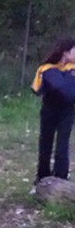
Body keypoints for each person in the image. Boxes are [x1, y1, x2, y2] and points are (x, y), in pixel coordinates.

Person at [31, 38, 75, 186]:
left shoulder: (72, 68)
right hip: (49, 110)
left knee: (62, 146)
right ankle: (42, 178)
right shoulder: (47, 69)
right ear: (65, 52)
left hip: (67, 112)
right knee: (45, 144)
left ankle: (61, 179)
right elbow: (63, 90)